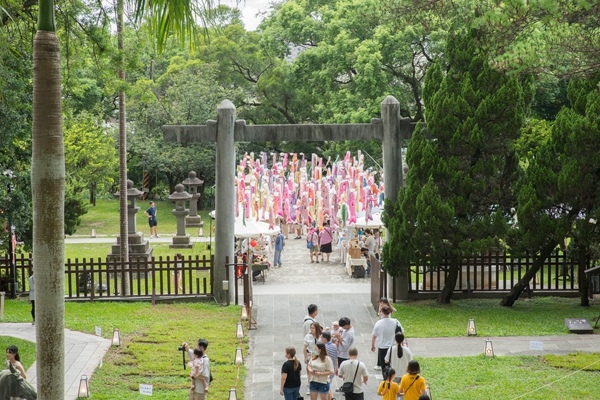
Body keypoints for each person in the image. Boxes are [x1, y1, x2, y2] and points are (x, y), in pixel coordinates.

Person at [371, 306, 398, 371]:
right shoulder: (395, 322)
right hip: (393, 346)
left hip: (382, 347)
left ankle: (385, 379)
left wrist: (373, 345)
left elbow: (374, 336)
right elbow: (401, 332)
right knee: (392, 365)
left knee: (384, 366)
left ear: (382, 312)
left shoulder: (379, 323)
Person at [304, 322, 323, 394]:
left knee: (318, 370)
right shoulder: (308, 336)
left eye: (313, 328)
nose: (311, 329)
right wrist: (305, 357)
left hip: (319, 355)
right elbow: (305, 347)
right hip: (311, 355)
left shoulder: (321, 336)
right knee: (310, 370)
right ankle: (309, 385)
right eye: (311, 328)